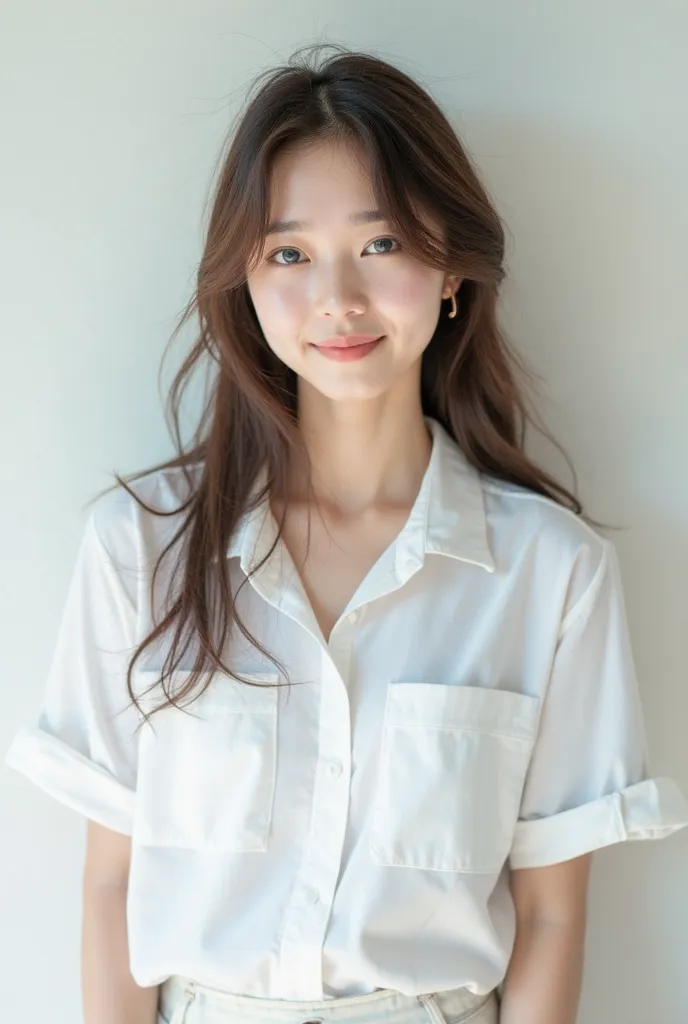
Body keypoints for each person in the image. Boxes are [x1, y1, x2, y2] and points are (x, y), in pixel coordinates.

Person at [5, 43, 687, 1024]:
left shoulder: (551, 575)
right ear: (244, 279)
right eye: (290, 252)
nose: (337, 297)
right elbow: (110, 885)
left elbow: (547, 917)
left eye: (381, 243)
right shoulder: (140, 550)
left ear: (449, 268)